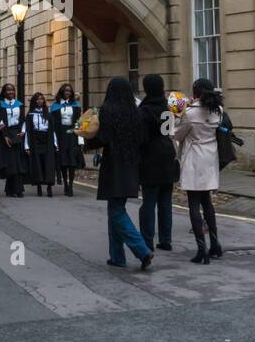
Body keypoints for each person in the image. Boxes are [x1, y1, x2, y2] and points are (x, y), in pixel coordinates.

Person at [86, 77, 154, 271]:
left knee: (116, 211)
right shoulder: (136, 113)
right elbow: (143, 139)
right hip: (132, 164)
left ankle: (142, 250)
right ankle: (117, 256)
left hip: (114, 164)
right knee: (115, 208)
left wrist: (86, 139)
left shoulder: (107, 111)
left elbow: (103, 138)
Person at [174, 78, 223, 264]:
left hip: (194, 158)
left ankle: (201, 249)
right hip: (210, 158)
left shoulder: (190, 113)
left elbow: (177, 134)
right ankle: (215, 244)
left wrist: (180, 112)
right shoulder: (218, 110)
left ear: (195, 92)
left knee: (194, 203)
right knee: (207, 202)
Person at [138, 74, 178, 252]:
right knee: (165, 201)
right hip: (167, 153)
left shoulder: (145, 110)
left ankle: (147, 240)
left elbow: (142, 137)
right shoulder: (167, 107)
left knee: (149, 202)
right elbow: (170, 131)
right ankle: (166, 239)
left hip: (151, 157)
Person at [50, 83, 85, 197]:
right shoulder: (55, 106)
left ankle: (70, 185)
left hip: (72, 135)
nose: (67, 93)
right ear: (62, 92)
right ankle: (65, 183)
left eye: (69, 91)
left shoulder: (76, 105)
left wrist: (81, 140)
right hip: (61, 135)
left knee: (72, 162)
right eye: (65, 91)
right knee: (63, 162)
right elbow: (53, 124)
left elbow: (79, 122)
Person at [23, 92, 57, 197]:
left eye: (42, 99)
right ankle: (39, 186)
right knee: (37, 163)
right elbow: (27, 131)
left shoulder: (48, 114)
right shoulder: (30, 115)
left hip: (47, 139)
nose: (40, 101)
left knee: (48, 163)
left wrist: (55, 143)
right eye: (37, 99)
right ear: (34, 101)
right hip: (35, 140)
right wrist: (26, 146)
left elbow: (53, 130)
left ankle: (49, 187)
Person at [0, 84, 26, 198]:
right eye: (8, 90)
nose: (11, 92)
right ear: (4, 92)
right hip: (6, 134)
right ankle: (11, 189)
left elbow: (23, 119)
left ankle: (18, 189)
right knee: (10, 163)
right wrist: (4, 135)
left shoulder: (19, 104)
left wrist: (23, 131)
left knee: (18, 162)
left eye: (12, 90)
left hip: (17, 133)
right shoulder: (0, 105)